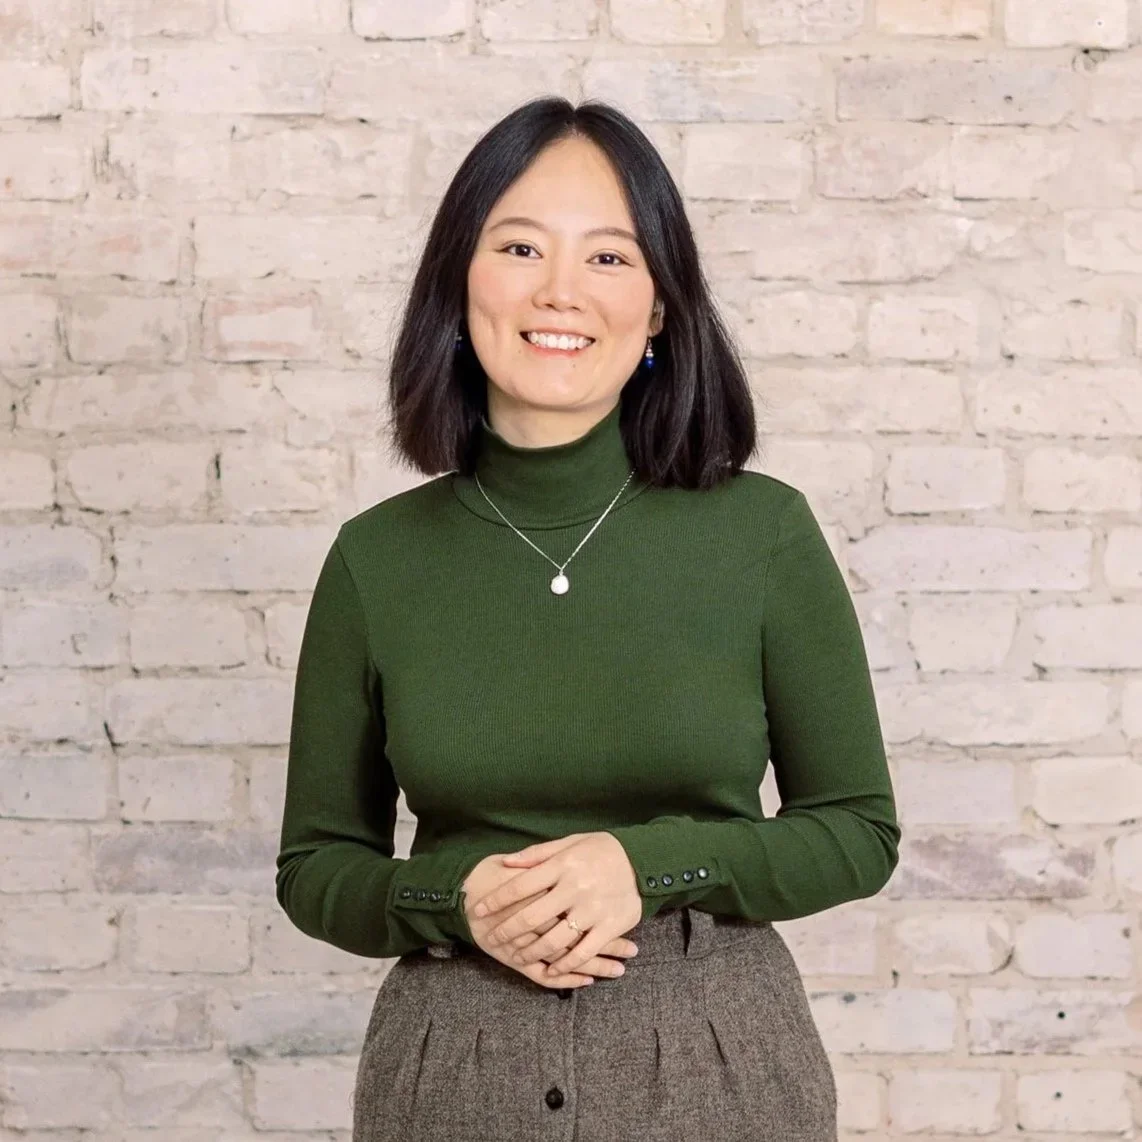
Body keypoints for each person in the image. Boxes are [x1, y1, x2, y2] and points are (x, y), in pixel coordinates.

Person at [275, 95, 900, 1142]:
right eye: (519, 246)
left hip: (721, 1065)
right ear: (458, 280)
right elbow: (316, 865)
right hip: (448, 1075)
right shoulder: (374, 560)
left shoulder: (761, 533)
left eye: (608, 258)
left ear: (658, 307)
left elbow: (856, 830)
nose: (559, 290)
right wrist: (455, 899)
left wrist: (644, 863)